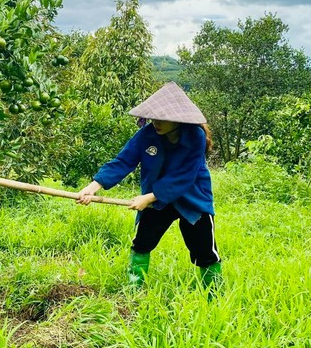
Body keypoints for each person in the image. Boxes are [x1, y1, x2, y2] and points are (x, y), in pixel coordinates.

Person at [76, 82, 221, 291]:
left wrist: (150, 197)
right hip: (157, 201)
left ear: (178, 119)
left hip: (192, 198)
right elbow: (123, 161)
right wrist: (93, 186)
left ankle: (214, 296)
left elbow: (185, 176)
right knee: (142, 243)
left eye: (162, 118)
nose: (156, 123)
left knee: (205, 251)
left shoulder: (195, 137)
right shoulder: (146, 135)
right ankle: (134, 292)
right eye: (154, 117)